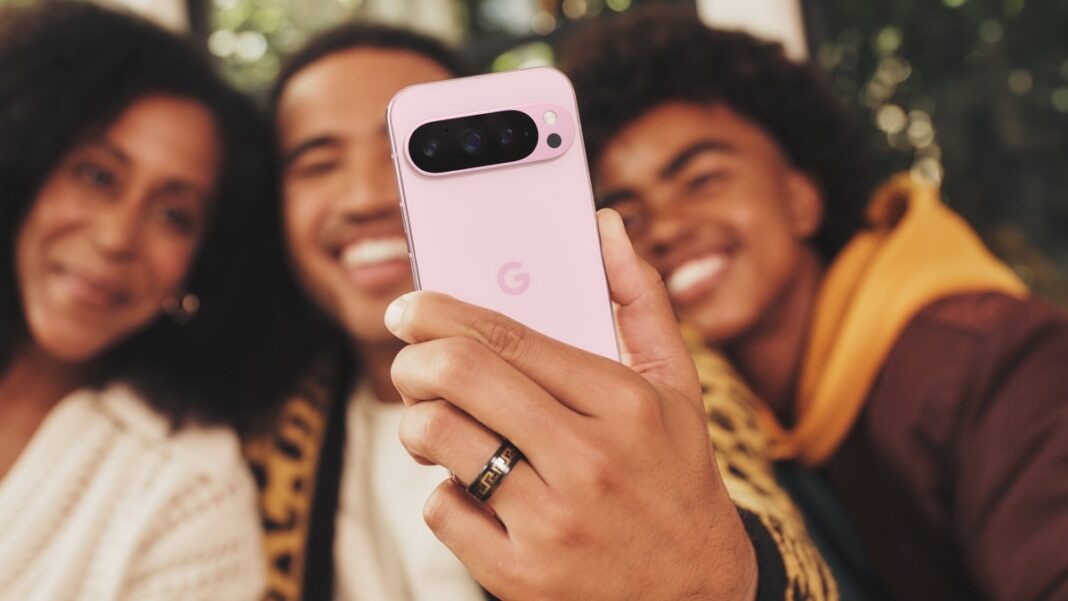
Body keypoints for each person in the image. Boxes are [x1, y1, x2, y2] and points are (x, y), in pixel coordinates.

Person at [246, 22, 836, 601]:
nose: (367, 195)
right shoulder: (261, 436)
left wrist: (717, 580)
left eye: (403, 154)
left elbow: (780, 551)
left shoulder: (634, 371)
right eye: (317, 164)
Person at [563, 6, 1068, 600]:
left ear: (802, 198)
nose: (665, 230)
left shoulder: (996, 362)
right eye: (632, 215)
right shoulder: (725, 422)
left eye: (702, 180)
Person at [0, 3, 301, 599]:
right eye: (97, 175)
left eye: (173, 214)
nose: (116, 237)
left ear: (203, 264)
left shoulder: (192, 488)